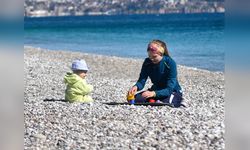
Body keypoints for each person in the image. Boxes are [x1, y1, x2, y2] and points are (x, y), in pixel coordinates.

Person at [128, 39, 184, 107]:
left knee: (168, 102)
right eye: (149, 56)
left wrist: (153, 94)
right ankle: (154, 100)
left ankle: (155, 100)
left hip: (172, 91)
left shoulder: (170, 63)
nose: (151, 59)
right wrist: (136, 87)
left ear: (161, 53)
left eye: (154, 57)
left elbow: (169, 89)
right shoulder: (147, 62)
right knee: (134, 99)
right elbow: (142, 80)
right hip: (156, 89)